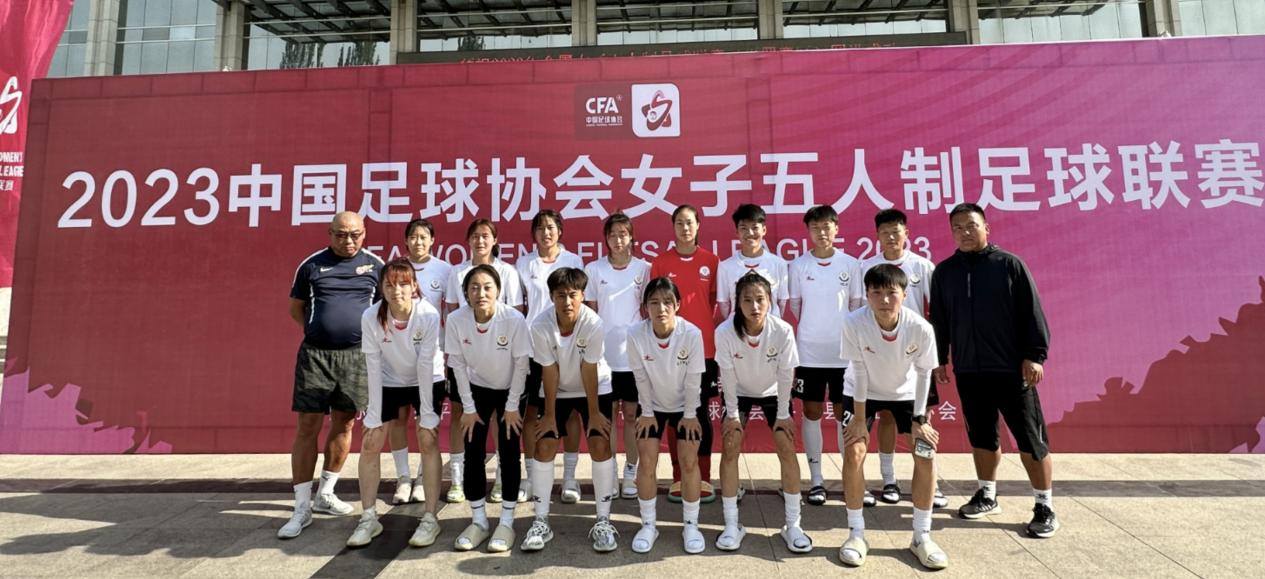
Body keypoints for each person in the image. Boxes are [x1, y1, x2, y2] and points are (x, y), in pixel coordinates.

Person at [930, 203, 1057, 538]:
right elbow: (940, 320)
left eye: (971, 225)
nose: (964, 232)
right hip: (969, 371)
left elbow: (1032, 313)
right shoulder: (944, 272)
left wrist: (1034, 356)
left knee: (1030, 439)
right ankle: (987, 494)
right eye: (957, 228)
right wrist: (939, 358)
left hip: (1011, 371)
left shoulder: (1009, 265)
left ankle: (1044, 505)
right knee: (982, 437)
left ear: (986, 227)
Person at [279, 211, 383, 540]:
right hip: (315, 356)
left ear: (364, 233)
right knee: (307, 426)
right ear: (329, 233)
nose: (348, 240)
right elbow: (296, 308)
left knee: (345, 424)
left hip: (356, 357)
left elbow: (384, 311)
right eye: (340, 234)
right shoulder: (311, 266)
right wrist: (319, 330)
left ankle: (325, 493)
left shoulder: (375, 266)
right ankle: (301, 507)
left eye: (355, 234)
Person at [839, 264, 947, 570]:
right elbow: (859, 371)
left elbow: (924, 373)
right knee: (854, 453)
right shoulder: (853, 322)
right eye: (876, 293)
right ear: (867, 295)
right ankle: (856, 534)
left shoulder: (920, 327)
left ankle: (921, 537)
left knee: (925, 453)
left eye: (891, 293)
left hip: (907, 394)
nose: (884, 300)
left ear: (904, 294)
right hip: (861, 392)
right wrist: (859, 420)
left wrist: (920, 420)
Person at [522, 268, 620, 553]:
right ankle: (541, 521)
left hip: (594, 386)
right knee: (544, 446)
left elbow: (589, 368)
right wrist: (550, 415)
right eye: (560, 295)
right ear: (551, 297)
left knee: (600, 443)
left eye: (573, 295)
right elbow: (549, 370)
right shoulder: (540, 325)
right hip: (557, 388)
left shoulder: (593, 322)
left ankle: (603, 521)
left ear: (582, 296)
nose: (567, 302)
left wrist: (594, 414)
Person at [348, 259, 443, 549]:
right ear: (382, 288)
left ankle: (430, 518)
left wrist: (428, 413)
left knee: (428, 439)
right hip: (389, 379)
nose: (396, 290)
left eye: (403, 284)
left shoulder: (427, 314)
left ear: (414, 286)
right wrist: (374, 415)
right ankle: (368, 517)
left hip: (427, 377)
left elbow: (425, 363)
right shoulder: (371, 316)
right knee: (370, 442)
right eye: (389, 285)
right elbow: (373, 364)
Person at [715, 272, 811, 553]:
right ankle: (731, 524)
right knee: (730, 445)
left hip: (773, 392)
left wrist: (783, 414)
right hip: (739, 392)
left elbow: (785, 374)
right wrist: (732, 415)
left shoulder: (782, 330)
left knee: (786, 446)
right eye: (747, 300)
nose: (754, 306)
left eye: (760, 299)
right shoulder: (725, 331)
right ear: (737, 303)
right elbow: (727, 376)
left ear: (770, 301)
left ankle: (793, 525)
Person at [859, 208, 949, 509]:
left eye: (896, 231)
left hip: (915, 357)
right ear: (877, 235)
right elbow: (860, 314)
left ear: (906, 233)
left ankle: (930, 484)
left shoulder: (923, 266)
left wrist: (938, 357)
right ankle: (889, 479)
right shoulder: (866, 267)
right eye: (884, 232)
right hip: (880, 357)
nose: (891, 237)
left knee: (922, 420)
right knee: (885, 417)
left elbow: (935, 312)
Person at [447, 265, 531, 552]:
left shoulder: (514, 319)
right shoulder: (456, 320)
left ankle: (506, 522)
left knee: (509, 452)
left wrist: (512, 406)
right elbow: (457, 365)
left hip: (511, 388)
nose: (480, 293)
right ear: (466, 293)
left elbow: (521, 364)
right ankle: (479, 520)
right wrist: (468, 407)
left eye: (487, 287)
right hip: (477, 388)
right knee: (473, 452)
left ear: (498, 291)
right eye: (474, 288)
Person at [787, 204, 864, 507]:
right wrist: (814, 328)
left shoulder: (851, 264)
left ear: (836, 228)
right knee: (812, 413)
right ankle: (816, 480)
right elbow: (796, 306)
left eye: (826, 226)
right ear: (808, 231)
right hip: (809, 353)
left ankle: (850, 478)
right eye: (815, 227)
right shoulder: (798, 266)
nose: (821, 232)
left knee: (845, 416)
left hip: (844, 354)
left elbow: (856, 305)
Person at [444, 219, 522, 504]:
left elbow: (516, 314)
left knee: (506, 428)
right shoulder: (457, 273)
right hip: (470, 364)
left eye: (485, 236)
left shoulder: (508, 273)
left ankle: (502, 480)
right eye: (474, 236)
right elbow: (452, 311)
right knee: (465, 422)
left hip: (504, 364)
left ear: (495, 240)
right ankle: (458, 481)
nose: (480, 241)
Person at [628, 277, 707, 554]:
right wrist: (648, 412)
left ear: (678, 305)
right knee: (647, 461)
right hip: (652, 405)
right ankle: (648, 525)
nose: (661, 309)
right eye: (654, 302)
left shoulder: (692, 334)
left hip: (687, 406)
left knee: (689, 462)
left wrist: (690, 414)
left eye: (667, 302)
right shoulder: (636, 334)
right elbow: (640, 377)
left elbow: (694, 379)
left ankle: (691, 526)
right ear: (645, 307)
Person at [516, 210, 588, 506]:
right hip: (534, 349)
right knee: (531, 414)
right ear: (533, 233)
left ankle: (569, 478)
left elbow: (580, 305)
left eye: (551, 227)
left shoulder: (573, 260)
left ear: (560, 231)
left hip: (567, 348)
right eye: (540, 228)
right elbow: (521, 309)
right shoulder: (524, 263)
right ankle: (531, 477)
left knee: (569, 413)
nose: (546, 233)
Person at [649, 205, 720, 503]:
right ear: (673, 227)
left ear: (698, 225)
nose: (685, 228)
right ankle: (679, 477)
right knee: (672, 414)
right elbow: (653, 304)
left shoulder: (712, 261)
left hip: (704, 349)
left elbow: (714, 302)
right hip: (667, 351)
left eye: (689, 222)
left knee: (700, 413)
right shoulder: (661, 262)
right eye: (679, 223)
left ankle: (703, 476)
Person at [583, 212, 651, 499]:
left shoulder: (644, 268)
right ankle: (609, 471)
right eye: (613, 234)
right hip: (604, 357)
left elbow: (649, 310)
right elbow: (590, 312)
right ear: (606, 239)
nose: (618, 239)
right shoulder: (594, 269)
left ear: (632, 237)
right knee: (607, 416)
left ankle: (631, 472)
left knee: (633, 415)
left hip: (633, 356)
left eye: (623, 234)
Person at [391, 218, 452, 506]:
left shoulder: (444, 270)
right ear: (405, 241)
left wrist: (449, 350)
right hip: (397, 358)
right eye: (413, 236)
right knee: (398, 419)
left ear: (432, 241)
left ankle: (421, 477)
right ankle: (402, 478)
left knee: (426, 421)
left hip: (431, 359)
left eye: (423, 236)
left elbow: (449, 314)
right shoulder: (394, 269)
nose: (418, 241)